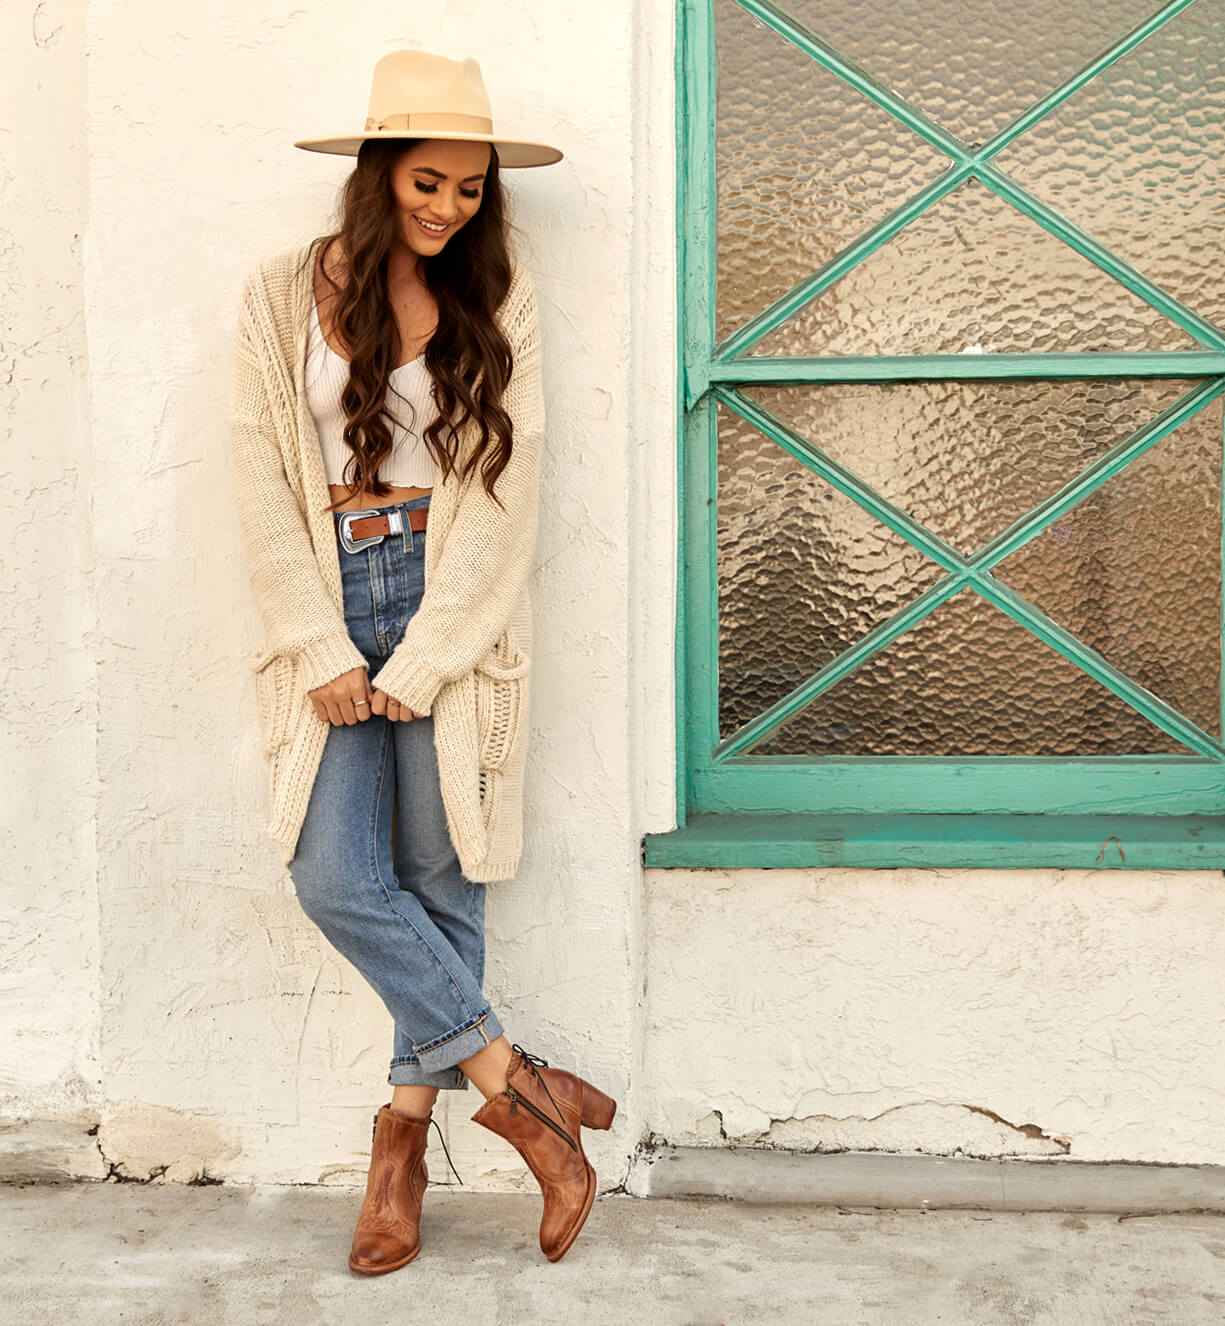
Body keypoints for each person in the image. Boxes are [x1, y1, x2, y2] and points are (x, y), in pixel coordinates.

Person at [227, 49, 616, 1273]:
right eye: (426, 183)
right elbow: (256, 477)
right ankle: (526, 1095)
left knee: (444, 883)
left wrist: (435, 653)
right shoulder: (279, 293)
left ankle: (398, 1153)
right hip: (336, 587)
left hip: (449, 599)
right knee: (336, 877)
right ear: (378, 174)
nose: (448, 207)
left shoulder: (501, 296)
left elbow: (510, 489)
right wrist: (318, 640)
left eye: (469, 188)